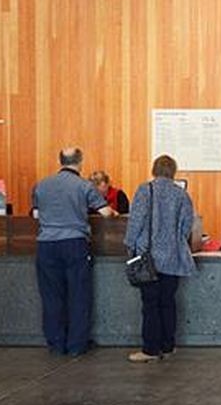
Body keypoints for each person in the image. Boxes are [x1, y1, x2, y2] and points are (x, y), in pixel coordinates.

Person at [31, 146, 116, 356]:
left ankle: (56, 344)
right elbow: (106, 213)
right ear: (80, 162)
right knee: (78, 295)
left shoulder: (41, 185)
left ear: (60, 161)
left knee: (51, 296)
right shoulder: (84, 186)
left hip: (46, 244)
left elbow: (35, 214)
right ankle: (77, 345)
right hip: (74, 243)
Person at [124, 155, 196, 363]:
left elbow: (135, 221)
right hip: (173, 257)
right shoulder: (182, 195)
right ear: (173, 172)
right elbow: (186, 226)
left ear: (154, 170)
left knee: (150, 304)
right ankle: (168, 345)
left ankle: (151, 350)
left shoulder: (145, 190)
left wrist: (129, 245)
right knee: (168, 302)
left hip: (149, 257)